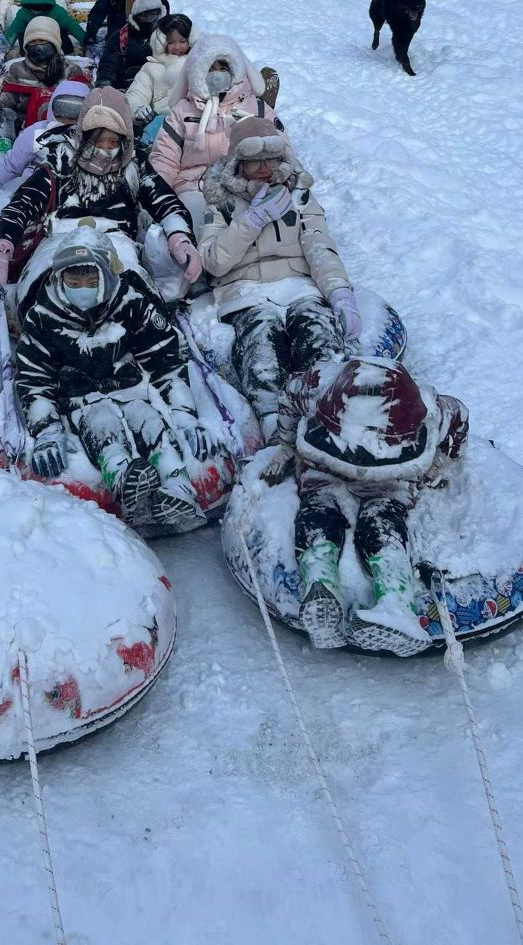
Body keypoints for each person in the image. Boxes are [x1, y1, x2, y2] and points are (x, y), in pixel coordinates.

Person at [14, 230, 210, 530]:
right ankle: (125, 482)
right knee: (104, 431)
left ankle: (177, 487)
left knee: (150, 423)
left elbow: (163, 358)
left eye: (91, 281)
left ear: (106, 276)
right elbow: (34, 378)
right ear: (60, 279)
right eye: (73, 282)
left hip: (132, 389)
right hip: (83, 400)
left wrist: (184, 414)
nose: (83, 289)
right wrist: (47, 431)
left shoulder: (131, 305)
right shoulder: (45, 317)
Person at [274, 357, 468, 656]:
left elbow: (458, 419)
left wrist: (439, 464)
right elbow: (289, 396)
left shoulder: (431, 410)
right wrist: (286, 444)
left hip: (391, 474)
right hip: (329, 462)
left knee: (382, 518)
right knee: (319, 507)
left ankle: (395, 602)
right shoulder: (317, 387)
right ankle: (319, 582)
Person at [199, 118, 362, 440]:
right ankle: (274, 422)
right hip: (245, 288)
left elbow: (319, 245)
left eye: (270, 159)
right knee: (261, 339)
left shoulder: (299, 194)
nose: (264, 168)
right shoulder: (220, 200)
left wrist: (339, 292)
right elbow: (215, 262)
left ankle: (328, 416)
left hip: (299, 285)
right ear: (237, 163)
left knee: (317, 334)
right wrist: (251, 220)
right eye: (254, 160)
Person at [0, 87, 201, 298]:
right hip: (61, 238)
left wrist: (179, 236)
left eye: (112, 142)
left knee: (128, 292)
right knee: (40, 290)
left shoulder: (134, 165)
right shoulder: (62, 159)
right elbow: (26, 200)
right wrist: (2, 242)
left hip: (115, 241)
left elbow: (164, 199)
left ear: (125, 140)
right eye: (96, 140)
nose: (103, 149)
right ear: (83, 136)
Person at [150, 33, 279, 230]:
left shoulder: (257, 109)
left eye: (223, 67)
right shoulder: (183, 111)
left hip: (244, 186)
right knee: (201, 226)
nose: (217, 74)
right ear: (197, 72)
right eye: (210, 68)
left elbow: (280, 148)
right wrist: (157, 199)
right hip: (194, 186)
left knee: (254, 228)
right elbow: (164, 159)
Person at [0, 18, 84, 175]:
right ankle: (3, 158)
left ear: (55, 44)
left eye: (43, 42)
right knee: (3, 114)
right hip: (22, 131)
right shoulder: (17, 70)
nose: (38, 47)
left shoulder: (70, 71)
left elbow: (86, 108)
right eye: (33, 42)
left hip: (58, 130)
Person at [0, 78, 88, 200]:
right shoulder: (37, 133)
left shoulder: (93, 137)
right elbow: (12, 164)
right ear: (52, 109)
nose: (67, 121)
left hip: (76, 193)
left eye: (75, 115)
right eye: (61, 112)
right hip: (34, 189)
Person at [126, 14, 194, 145]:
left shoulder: (198, 66)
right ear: (161, 42)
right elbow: (136, 94)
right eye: (171, 42)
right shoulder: (151, 68)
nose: (177, 47)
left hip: (193, 124)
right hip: (160, 127)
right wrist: (138, 109)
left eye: (182, 41)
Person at [96, 0, 166, 92]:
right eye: (144, 15)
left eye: (153, 13)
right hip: (128, 88)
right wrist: (104, 86)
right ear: (133, 17)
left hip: (162, 87)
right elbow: (108, 66)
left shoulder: (168, 33)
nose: (150, 19)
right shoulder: (119, 38)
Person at [3, 0, 86, 55]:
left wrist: (85, 41)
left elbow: (72, 26)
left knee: (62, 33)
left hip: (58, 48)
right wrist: (4, 47)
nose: (37, 10)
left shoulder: (57, 12)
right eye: (33, 7)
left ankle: (68, 56)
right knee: (22, 33)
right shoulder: (24, 14)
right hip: (31, 50)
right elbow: (14, 31)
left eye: (41, 7)